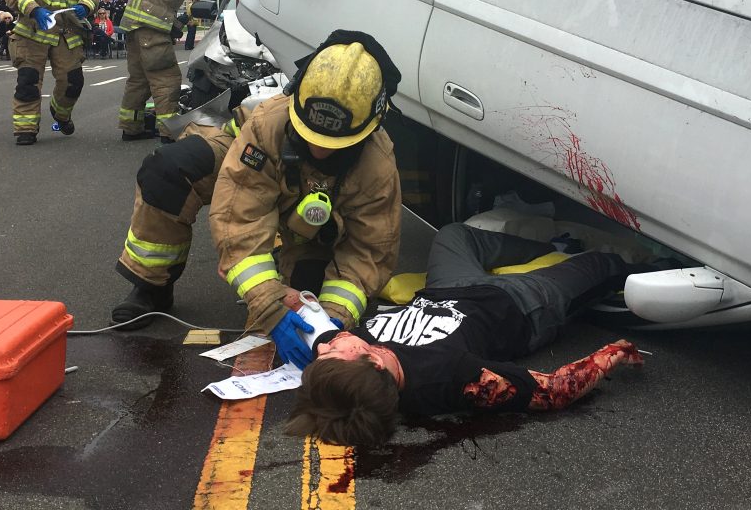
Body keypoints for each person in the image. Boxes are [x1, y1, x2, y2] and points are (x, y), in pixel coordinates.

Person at [110, 31, 403, 351]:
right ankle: (153, 286)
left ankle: (290, 264)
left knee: (309, 296)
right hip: (248, 158)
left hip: (309, 207)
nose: (318, 149)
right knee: (166, 171)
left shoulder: (377, 164)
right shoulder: (270, 122)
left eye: (331, 144)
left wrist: (334, 316)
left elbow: (369, 250)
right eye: (310, 135)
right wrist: (266, 302)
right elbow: (238, 215)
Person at [284, 223, 644, 447]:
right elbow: (552, 392)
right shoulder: (449, 376)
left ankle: (552, 248)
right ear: (373, 359)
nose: (327, 344)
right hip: (519, 304)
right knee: (600, 267)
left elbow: (319, 336)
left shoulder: (358, 372)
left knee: (453, 234)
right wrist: (610, 354)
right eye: (332, 352)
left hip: (444, 288)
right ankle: (652, 268)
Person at [3, 0, 98, 145]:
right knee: (28, 82)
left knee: (73, 82)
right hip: (32, 31)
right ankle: (25, 130)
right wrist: (34, 10)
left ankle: (60, 113)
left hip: (65, 33)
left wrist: (86, 5)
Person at [117, 0, 208, 142]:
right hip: (152, 27)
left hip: (138, 25)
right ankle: (169, 131)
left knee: (138, 79)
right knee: (166, 78)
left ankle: (131, 126)